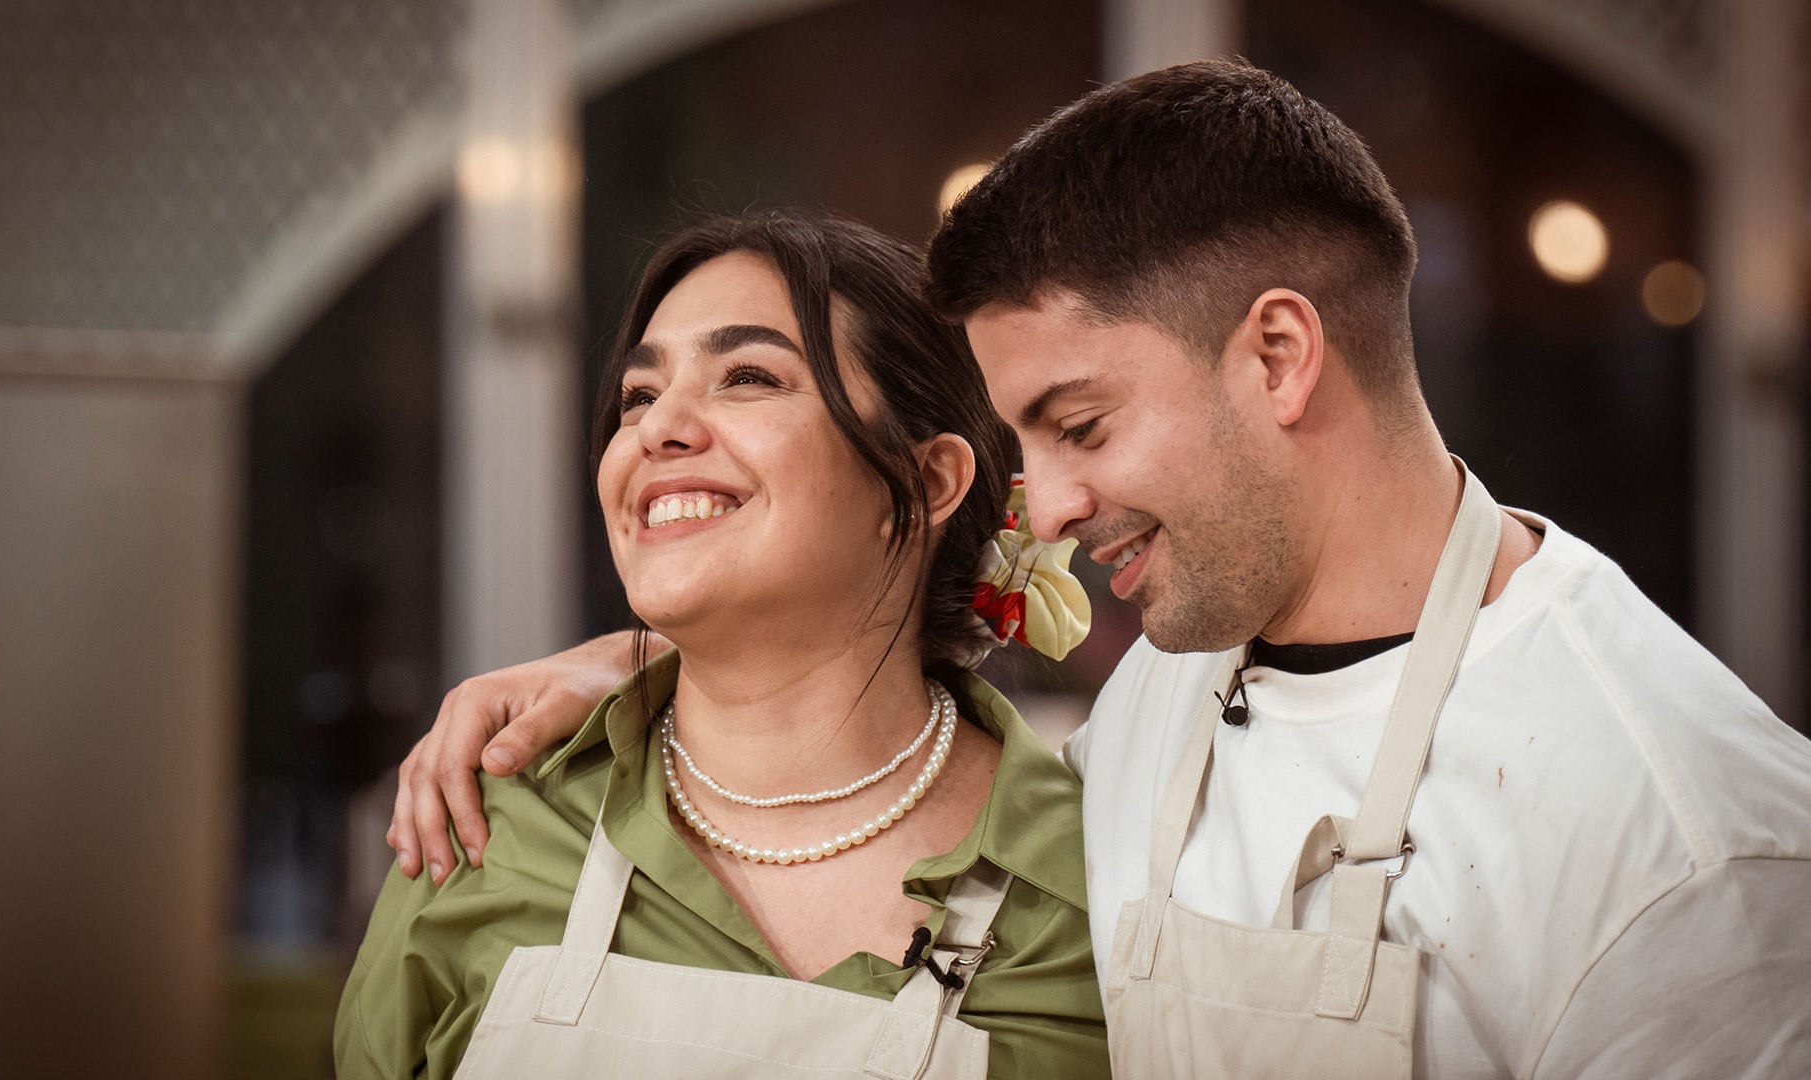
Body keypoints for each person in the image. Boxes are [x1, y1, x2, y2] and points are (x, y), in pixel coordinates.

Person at [388, 62, 1811, 1078]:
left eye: (1078, 425)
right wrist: (642, 656)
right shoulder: (1162, 695)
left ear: (1277, 357)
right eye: (1019, 440)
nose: (1046, 508)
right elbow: (858, 684)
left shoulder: (1693, 852)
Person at [335, 212, 1108, 1078]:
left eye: (747, 377)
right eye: (638, 395)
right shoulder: (487, 832)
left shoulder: (1103, 887)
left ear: (926, 482)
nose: (657, 428)